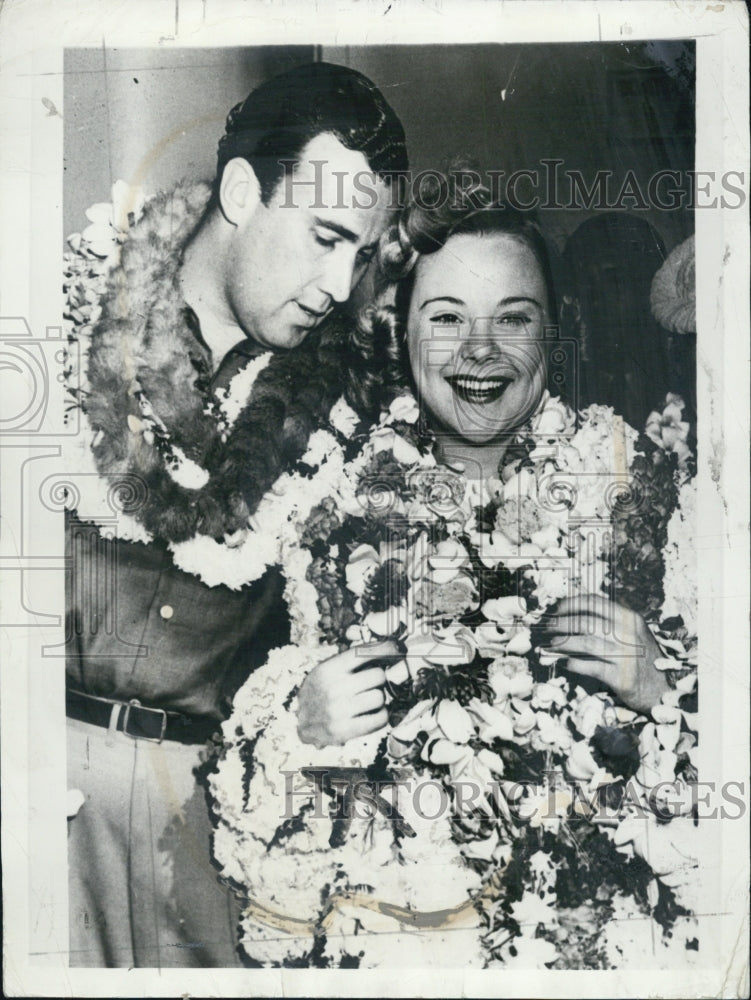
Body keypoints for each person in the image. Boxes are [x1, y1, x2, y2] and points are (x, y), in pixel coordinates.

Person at [64, 60, 408, 968]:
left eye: (361, 255)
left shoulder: (351, 415)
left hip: (208, 830)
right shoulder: (62, 316)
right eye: (325, 237)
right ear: (244, 191)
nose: (337, 283)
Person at [296, 183, 673, 750]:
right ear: (401, 331)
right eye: (448, 318)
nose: (480, 349)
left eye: (514, 319)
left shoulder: (638, 480)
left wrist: (662, 687)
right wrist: (303, 721)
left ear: (554, 330)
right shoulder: (332, 497)